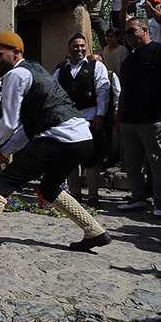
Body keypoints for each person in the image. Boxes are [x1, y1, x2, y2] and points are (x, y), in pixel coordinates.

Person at [0, 32, 111, 268]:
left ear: (16, 53)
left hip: (59, 138)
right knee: (49, 188)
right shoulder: (35, 70)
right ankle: (95, 232)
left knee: (2, 183)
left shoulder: (16, 74)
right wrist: (3, 152)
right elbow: (27, 128)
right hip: (82, 140)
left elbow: (10, 123)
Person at [115, 17, 161, 218]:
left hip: (154, 118)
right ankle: (138, 198)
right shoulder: (129, 60)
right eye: (125, 33)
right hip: (129, 119)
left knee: (157, 162)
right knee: (131, 163)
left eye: (131, 31)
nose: (127, 36)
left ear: (144, 30)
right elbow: (124, 90)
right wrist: (118, 117)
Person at [53, 33, 110, 208]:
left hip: (90, 118)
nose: (80, 49)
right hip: (68, 120)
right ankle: (75, 195)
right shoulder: (60, 69)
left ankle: (93, 195)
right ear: (69, 50)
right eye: (76, 46)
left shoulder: (96, 66)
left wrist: (100, 114)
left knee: (92, 157)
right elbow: (53, 94)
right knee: (70, 158)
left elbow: (103, 91)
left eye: (82, 46)